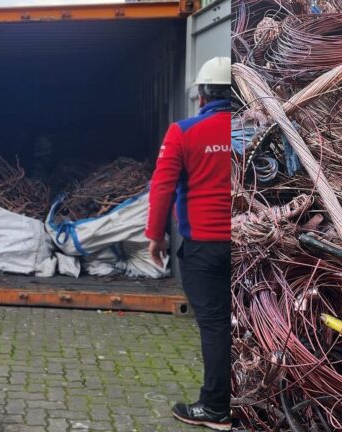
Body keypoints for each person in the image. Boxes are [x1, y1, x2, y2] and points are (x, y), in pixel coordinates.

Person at [145, 56, 232, 431]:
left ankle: (215, 408)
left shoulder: (184, 132)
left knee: (214, 324)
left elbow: (162, 187)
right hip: (253, 240)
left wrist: (155, 236)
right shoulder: (252, 127)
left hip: (204, 246)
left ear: (201, 95)